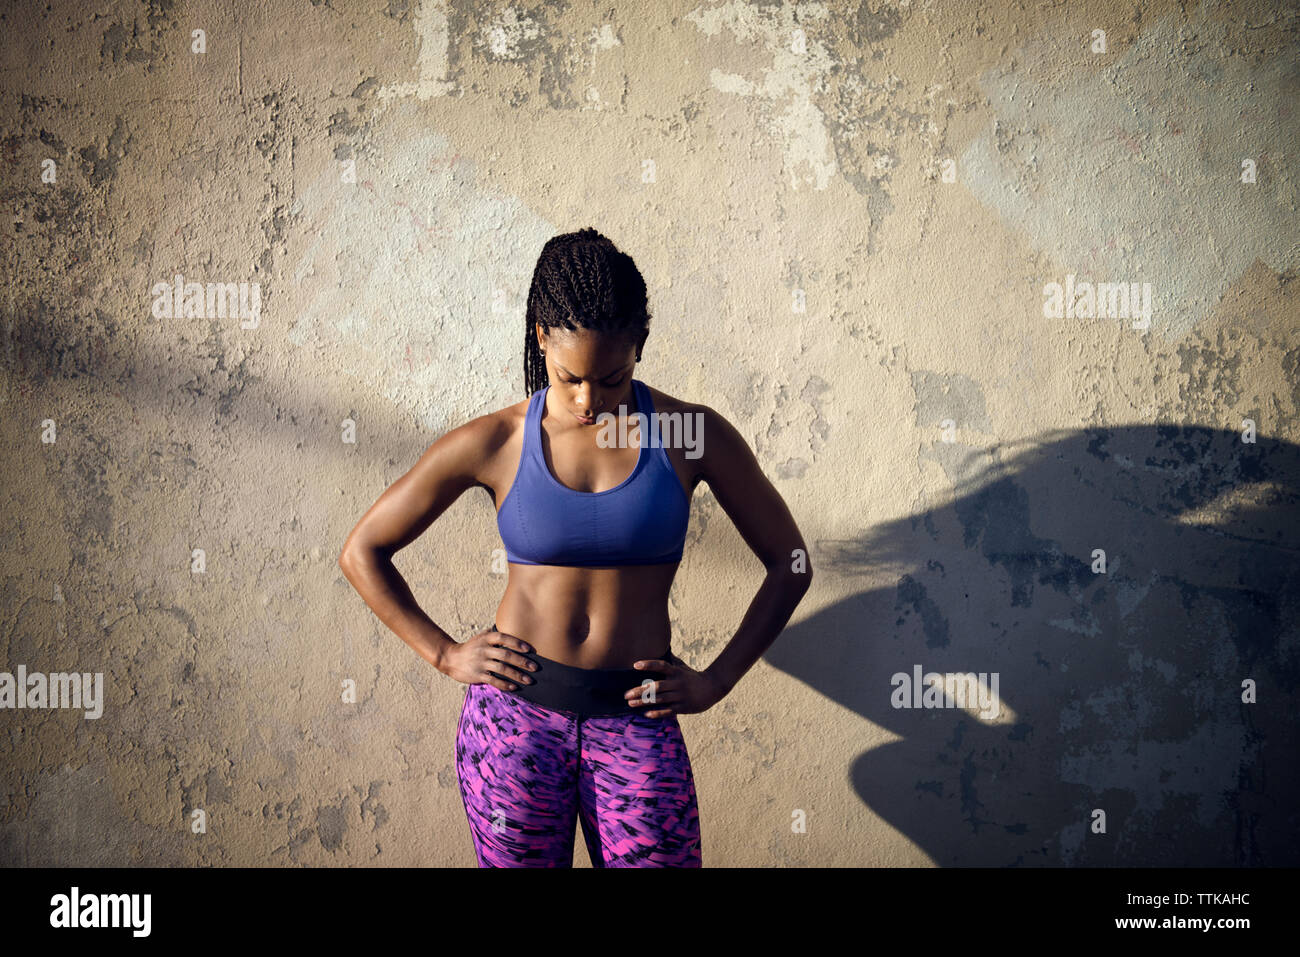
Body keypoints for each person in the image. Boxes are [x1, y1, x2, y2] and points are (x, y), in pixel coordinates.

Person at [338, 228, 812, 867]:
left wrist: (716, 681)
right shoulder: (497, 442)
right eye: (569, 379)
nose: (590, 401)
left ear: (638, 348)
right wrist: (446, 654)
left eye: (613, 379)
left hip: (635, 723)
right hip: (514, 726)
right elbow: (362, 550)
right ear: (540, 337)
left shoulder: (689, 435)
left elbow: (792, 564)